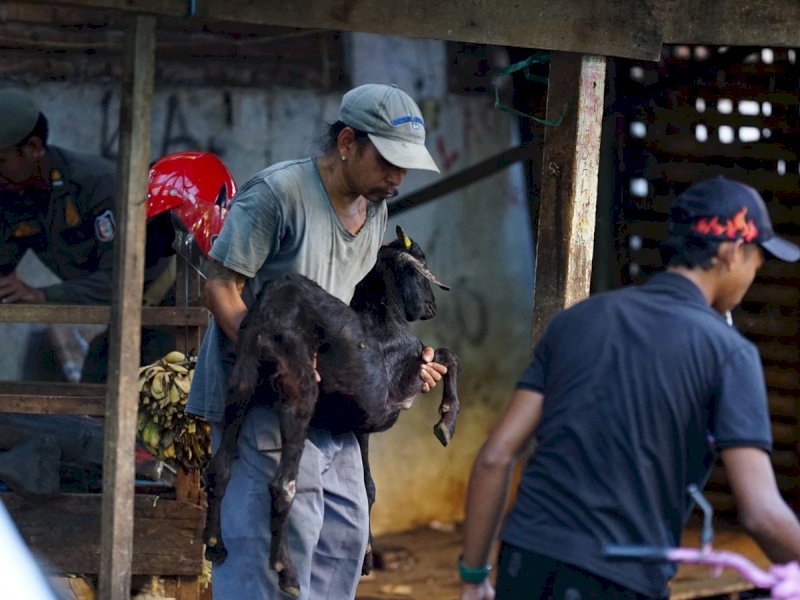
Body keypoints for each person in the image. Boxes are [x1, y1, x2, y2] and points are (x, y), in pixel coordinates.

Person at [458, 176, 800, 600]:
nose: (753, 275)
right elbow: (762, 513)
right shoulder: (729, 352)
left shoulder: (577, 321)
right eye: (757, 261)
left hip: (525, 560)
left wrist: (473, 578)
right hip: (619, 577)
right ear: (731, 253)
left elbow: (495, 456)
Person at [186, 83, 446, 599]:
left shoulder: (375, 211)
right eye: (387, 161)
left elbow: (351, 310)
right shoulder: (278, 195)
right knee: (273, 552)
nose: (397, 177)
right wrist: (277, 359)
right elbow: (219, 286)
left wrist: (401, 365)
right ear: (348, 141)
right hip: (262, 403)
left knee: (343, 542)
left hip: (331, 407)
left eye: (406, 165)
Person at [0, 87, 176, 382]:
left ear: (32, 147)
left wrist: (42, 295)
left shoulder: (96, 184)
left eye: (0, 160)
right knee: (95, 384)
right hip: (125, 314)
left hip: (166, 307)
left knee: (163, 400)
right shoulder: (12, 193)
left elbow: (120, 280)